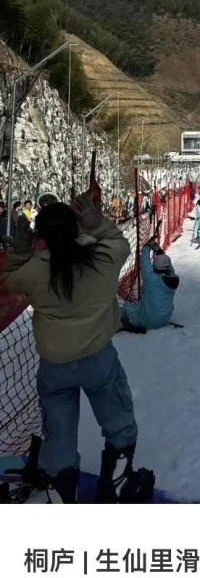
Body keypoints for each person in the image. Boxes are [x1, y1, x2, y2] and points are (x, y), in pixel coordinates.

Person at [0, 184, 150, 503]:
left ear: (41, 235)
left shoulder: (35, 269)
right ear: (76, 227)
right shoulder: (102, 257)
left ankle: (60, 491)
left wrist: (22, 248)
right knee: (117, 420)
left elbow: (10, 280)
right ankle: (119, 482)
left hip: (55, 366)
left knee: (58, 434)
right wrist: (96, 220)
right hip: (99, 358)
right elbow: (119, 241)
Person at [121, 240, 179, 331]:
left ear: (155, 266)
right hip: (165, 318)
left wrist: (147, 247)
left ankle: (124, 322)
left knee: (126, 309)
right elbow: (168, 267)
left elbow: (145, 261)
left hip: (148, 322)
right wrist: (159, 251)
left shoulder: (151, 278)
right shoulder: (174, 278)